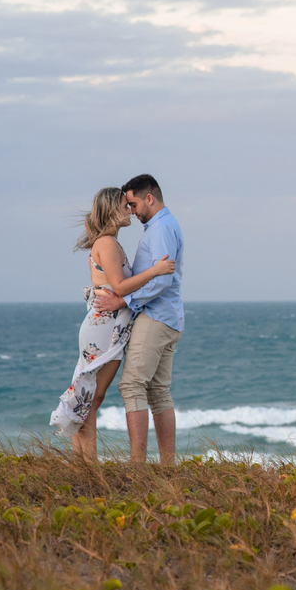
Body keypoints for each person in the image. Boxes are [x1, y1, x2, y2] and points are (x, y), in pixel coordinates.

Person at [50, 187, 175, 460]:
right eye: (124, 205)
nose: (129, 210)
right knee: (92, 396)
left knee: (92, 396)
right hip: (103, 327)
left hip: (110, 328)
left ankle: (83, 462)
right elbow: (118, 286)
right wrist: (155, 270)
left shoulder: (110, 242)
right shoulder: (106, 243)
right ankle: (88, 464)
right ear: (111, 210)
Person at [92, 174, 184, 464]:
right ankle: (167, 466)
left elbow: (162, 281)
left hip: (156, 315)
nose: (130, 210)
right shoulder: (163, 226)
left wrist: (122, 300)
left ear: (149, 198)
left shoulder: (160, 229)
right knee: (157, 391)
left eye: (132, 204)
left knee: (131, 385)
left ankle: (137, 464)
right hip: (167, 316)